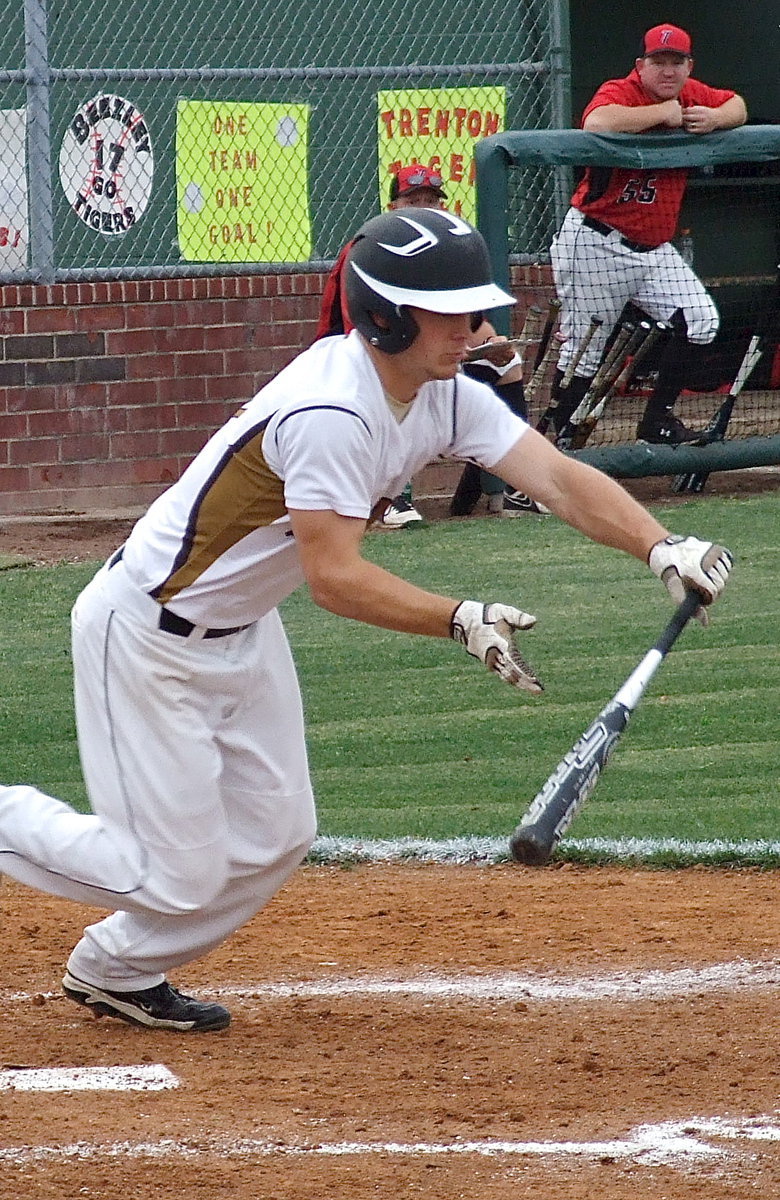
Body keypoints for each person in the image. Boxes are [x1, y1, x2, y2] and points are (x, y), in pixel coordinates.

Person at [0, 208, 732, 1033]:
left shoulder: (439, 394)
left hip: (243, 630)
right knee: (173, 876)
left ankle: (117, 970)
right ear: (387, 317)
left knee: (278, 835)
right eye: (449, 313)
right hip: (145, 635)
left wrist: (661, 546)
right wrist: (458, 617)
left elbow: (557, 478)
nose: (473, 329)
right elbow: (335, 579)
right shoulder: (332, 413)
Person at [548, 23, 747, 445]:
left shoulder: (693, 93)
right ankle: (557, 442)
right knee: (583, 353)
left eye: (677, 62)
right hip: (597, 243)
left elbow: (738, 106)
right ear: (640, 66)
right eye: (658, 62)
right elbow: (596, 122)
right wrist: (662, 113)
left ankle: (657, 422)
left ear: (689, 66)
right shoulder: (621, 91)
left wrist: (714, 117)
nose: (668, 71)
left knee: (701, 320)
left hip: (654, 250)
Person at [318, 164, 542, 521]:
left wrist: (492, 346)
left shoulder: (448, 251)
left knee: (506, 367)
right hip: (351, 362)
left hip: (419, 351)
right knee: (394, 375)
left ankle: (519, 488)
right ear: (393, 207)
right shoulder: (370, 249)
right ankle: (391, 496)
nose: (424, 208)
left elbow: (471, 323)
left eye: (431, 201)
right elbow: (365, 333)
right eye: (413, 201)